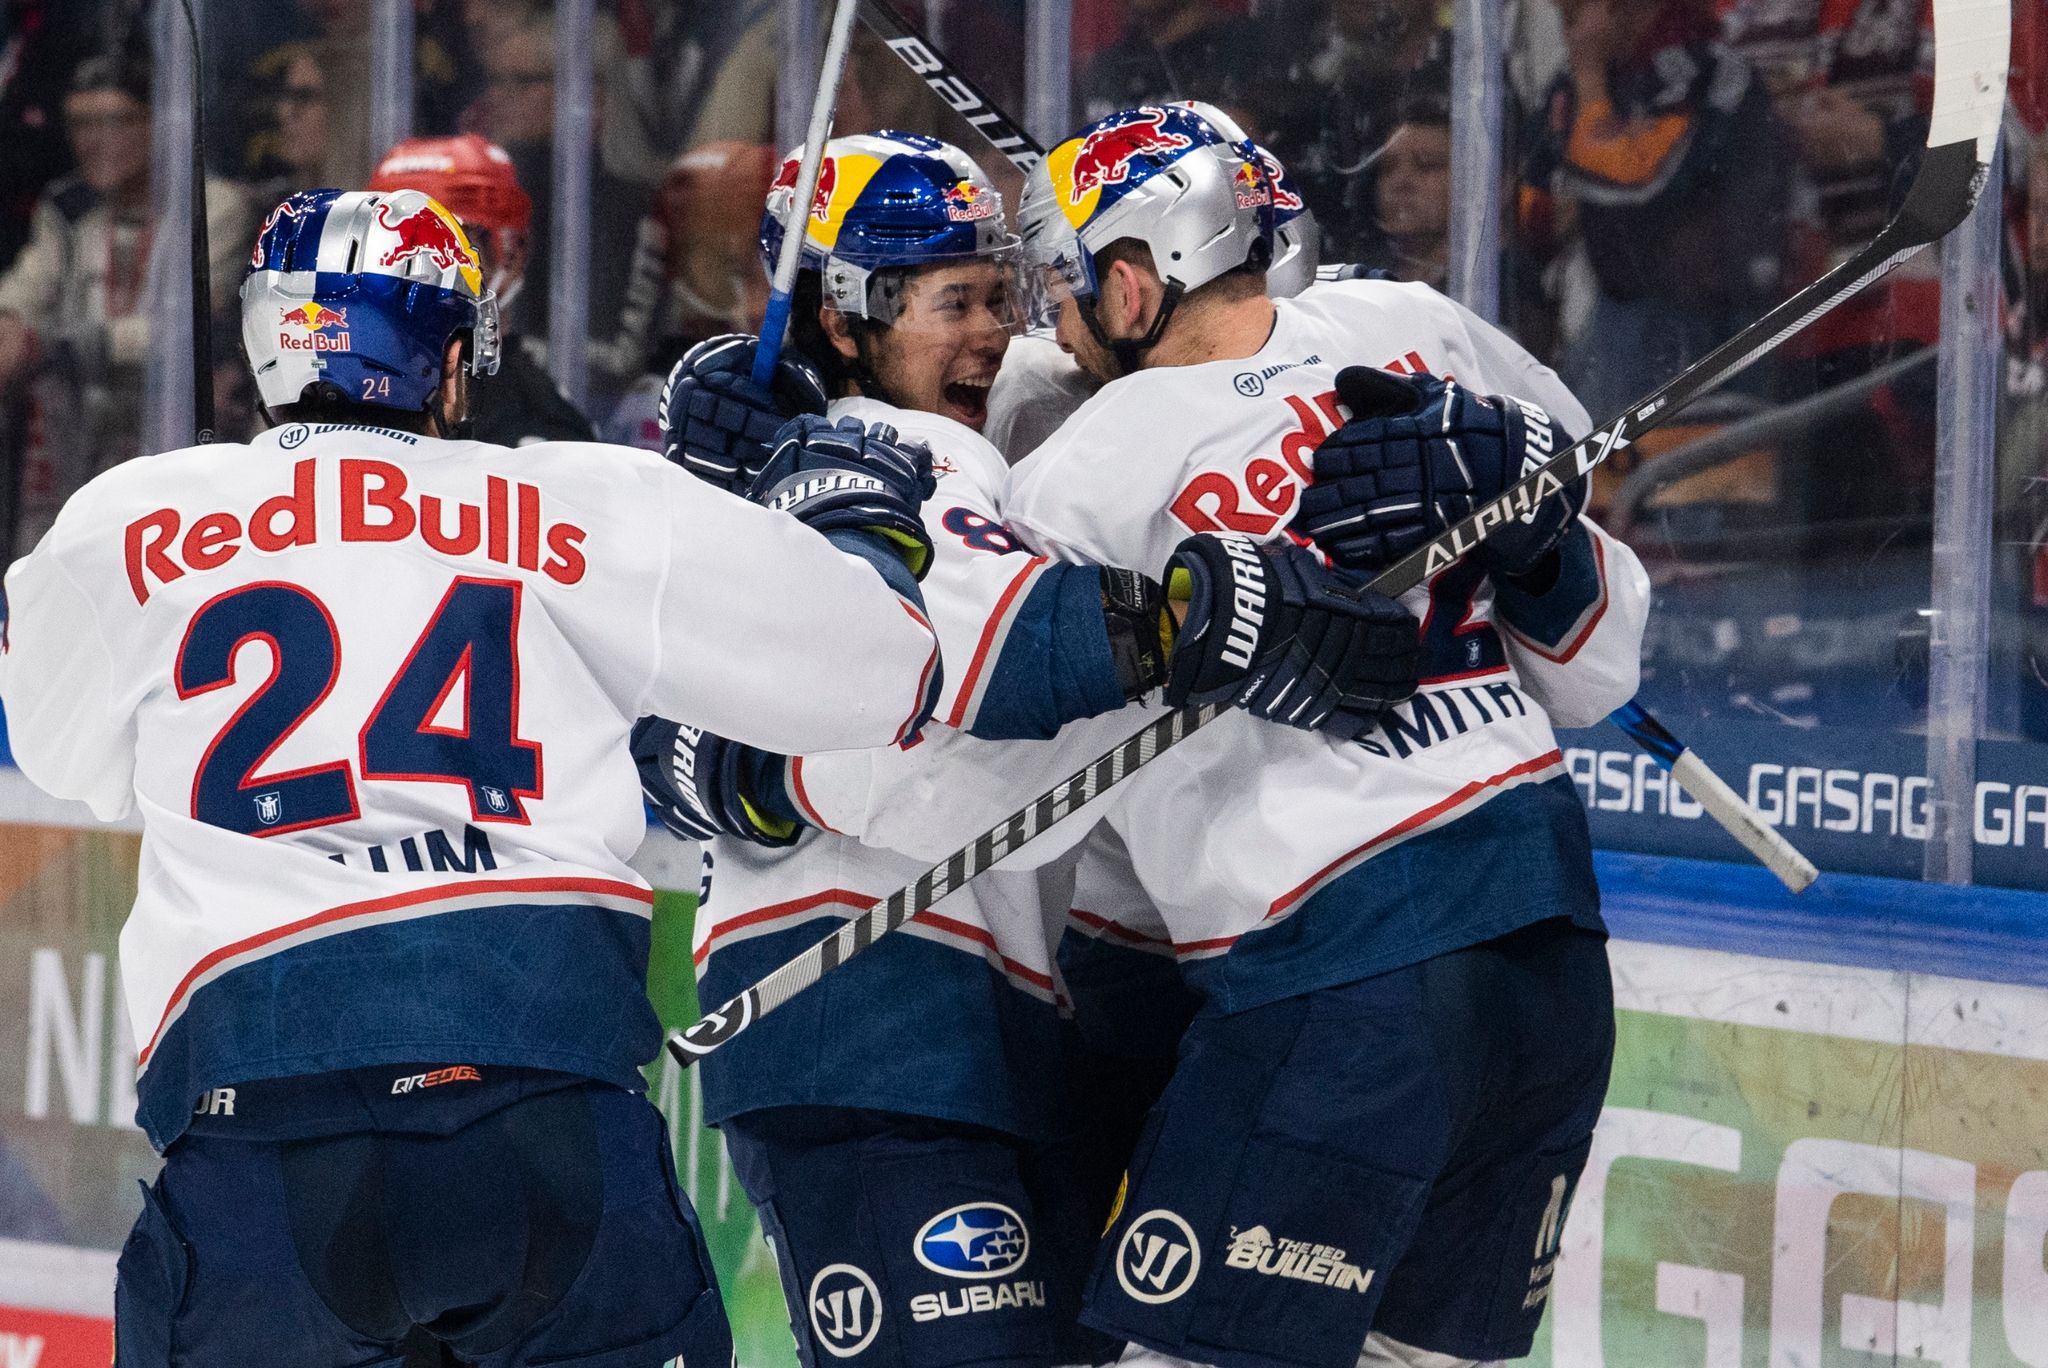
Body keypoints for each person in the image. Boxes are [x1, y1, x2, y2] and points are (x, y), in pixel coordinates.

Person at [0, 183, 946, 1367]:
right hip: (538, 1118)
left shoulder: (129, 518)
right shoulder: (584, 500)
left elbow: (53, 748)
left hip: (257, 1134)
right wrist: (848, 513)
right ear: (452, 363)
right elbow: (883, 672)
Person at [640, 129, 1421, 1368]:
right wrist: (1190, 619)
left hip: (964, 1016)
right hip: (874, 1009)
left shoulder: (937, 439)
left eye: (1001, 297)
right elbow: (929, 714)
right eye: (955, 302)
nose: (992, 335)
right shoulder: (892, 459)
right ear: (841, 320)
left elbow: (1116, 357)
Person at [981, 103, 1649, 1368]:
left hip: (1339, 980)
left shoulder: (1086, 463)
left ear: (1131, 284)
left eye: (1062, 287)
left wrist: (1523, 515)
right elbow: (1596, 668)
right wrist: (1542, 535)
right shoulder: (1417, 332)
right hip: (1550, 952)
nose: (1046, 324)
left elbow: (1029, 794)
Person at [0, 54, 251, 556]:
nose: (89, 141)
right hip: (77, 431)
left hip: (170, 429)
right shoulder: (68, 207)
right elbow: (23, 296)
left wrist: (62, 342)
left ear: (158, 124)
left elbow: (187, 326)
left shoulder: (212, 202)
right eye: (79, 124)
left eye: (111, 121)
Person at [369, 132, 596, 446]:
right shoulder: (333, 390)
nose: (414, 274)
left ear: (514, 254)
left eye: (445, 249)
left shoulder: (543, 433)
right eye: (394, 249)